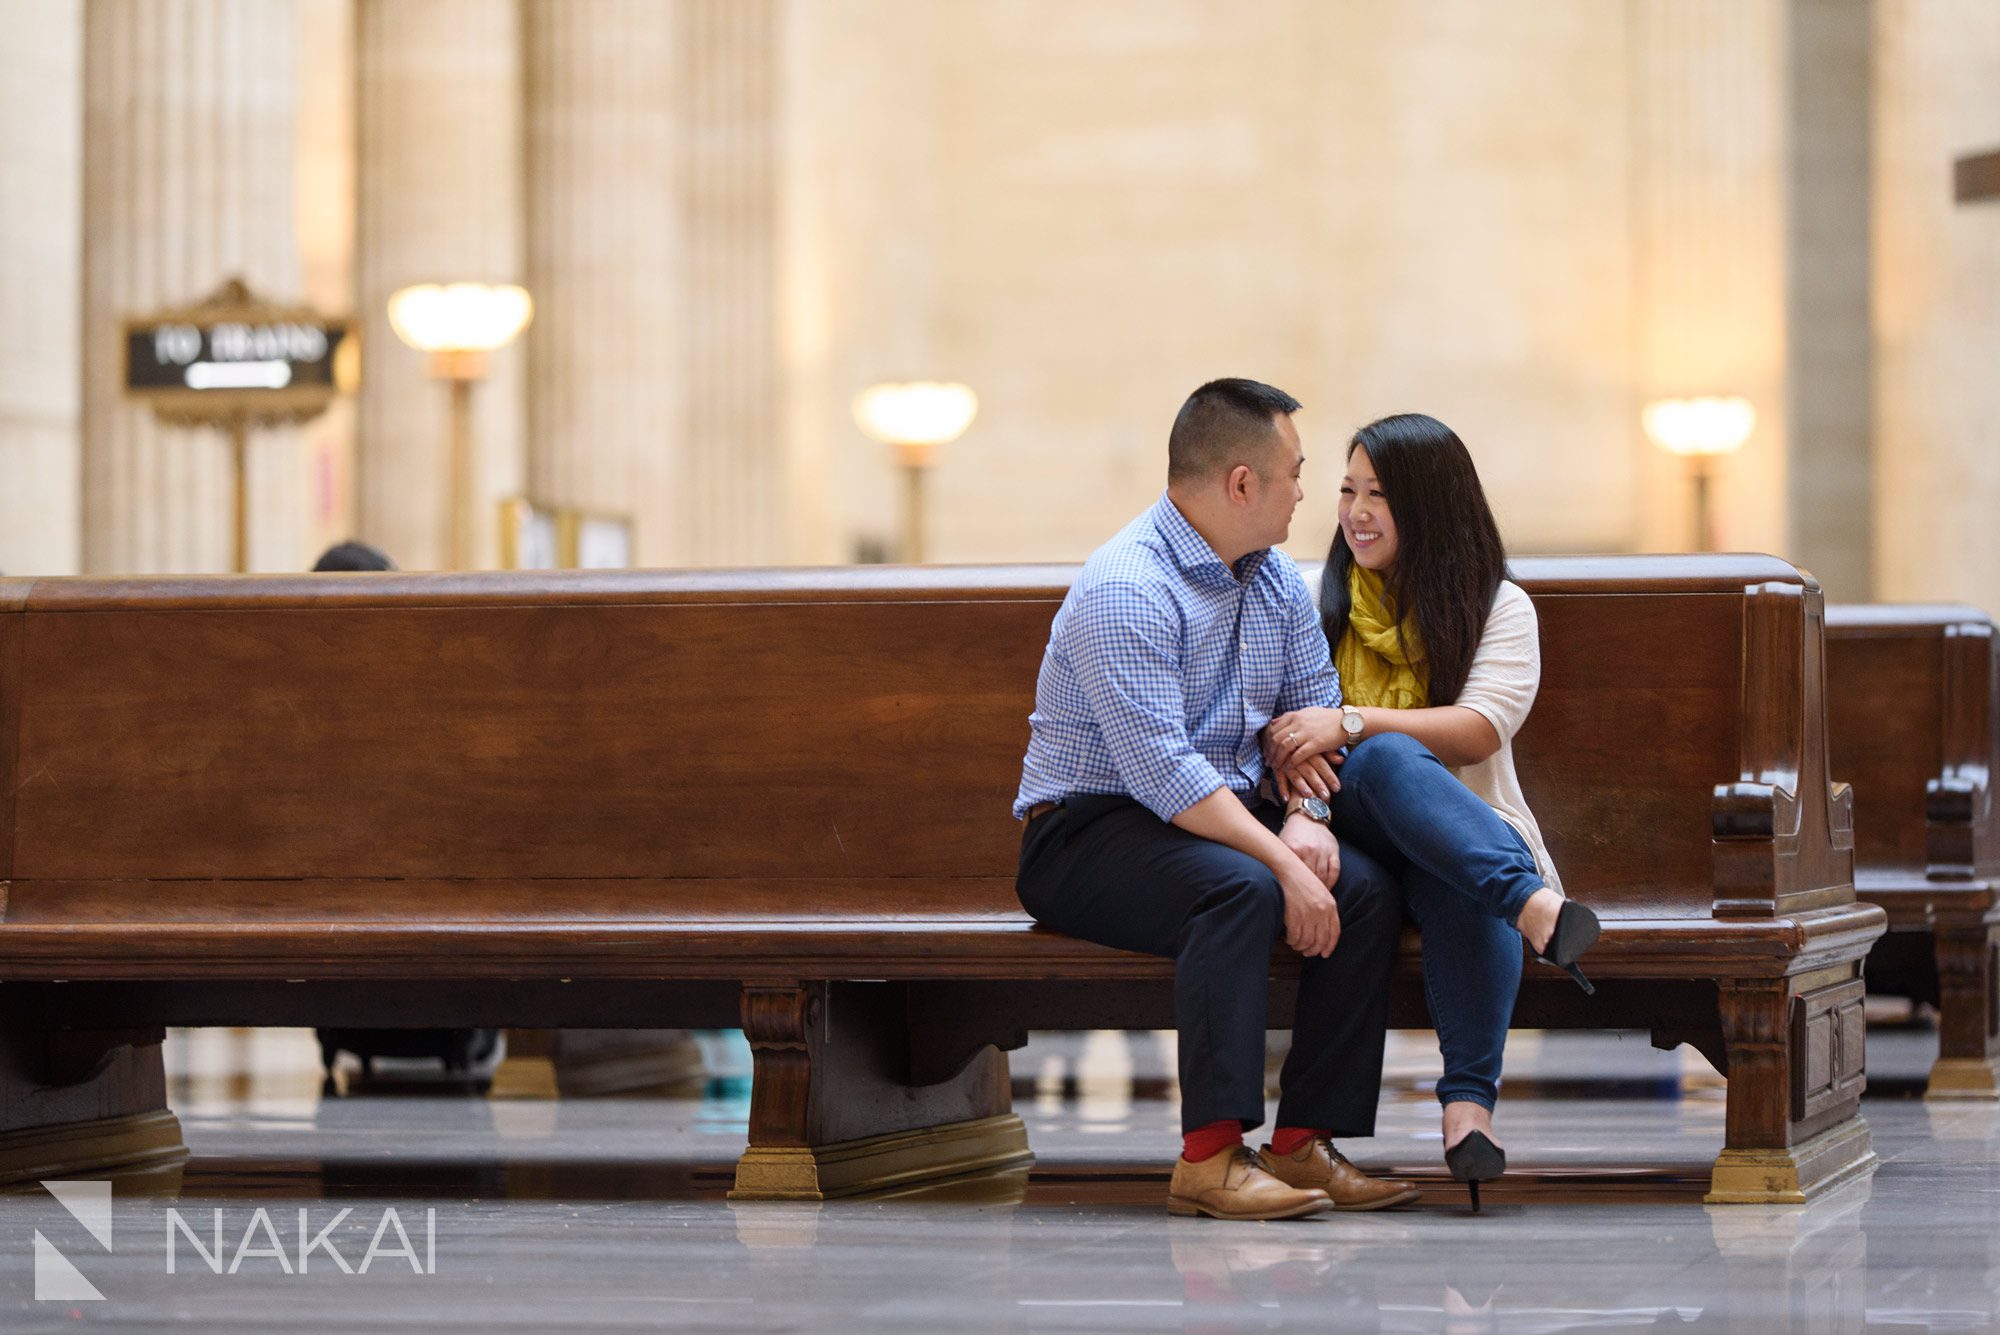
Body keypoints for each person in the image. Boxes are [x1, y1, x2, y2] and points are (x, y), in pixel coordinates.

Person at [1014, 378, 1416, 1221]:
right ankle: (1208, 1157)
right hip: (1088, 830)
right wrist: (1281, 859)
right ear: (1242, 483)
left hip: (1217, 816)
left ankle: (1302, 1141)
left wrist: (1307, 822)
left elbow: (1315, 714)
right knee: (1239, 888)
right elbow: (1163, 773)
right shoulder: (1128, 585)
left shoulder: (1270, 579)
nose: (1309, 492)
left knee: (1367, 887)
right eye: (1297, 472)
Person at [1261, 412, 1600, 1211]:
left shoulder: (1500, 607)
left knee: (1457, 871)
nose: (1357, 512)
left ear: (1435, 504)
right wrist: (1310, 806)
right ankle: (1535, 907)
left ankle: (1465, 1119)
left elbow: (1479, 729)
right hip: (1353, 835)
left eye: (1381, 494)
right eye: (1347, 490)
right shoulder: (1315, 598)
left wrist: (1349, 720)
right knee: (1381, 761)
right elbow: (1283, 730)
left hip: (1463, 836)